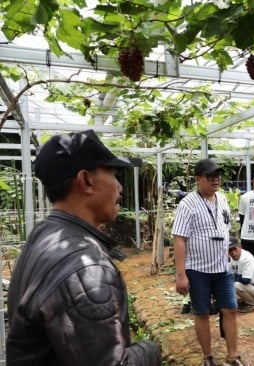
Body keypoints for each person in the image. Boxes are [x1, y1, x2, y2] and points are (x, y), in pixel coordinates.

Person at [6, 129, 162, 365]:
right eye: (114, 175)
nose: (119, 187)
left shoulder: (43, 235)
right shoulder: (86, 268)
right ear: (86, 181)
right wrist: (150, 351)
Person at [171, 158, 246, 366]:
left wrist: (232, 245)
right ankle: (207, 357)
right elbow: (179, 238)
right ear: (198, 179)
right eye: (210, 176)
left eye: (217, 176)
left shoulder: (221, 199)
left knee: (230, 309)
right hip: (197, 269)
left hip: (222, 267)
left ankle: (232, 355)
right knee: (202, 312)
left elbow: (224, 228)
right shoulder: (187, 204)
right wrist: (181, 274)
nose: (216, 180)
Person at [228, 238, 254, 313]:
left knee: (235, 285)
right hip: (251, 287)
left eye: (235, 249)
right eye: (230, 250)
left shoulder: (246, 257)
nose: (233, 252)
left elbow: (245, 280)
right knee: (230, 290)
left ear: (240, 247)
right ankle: (246, 301)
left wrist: (233, 277)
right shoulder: (231, 259)